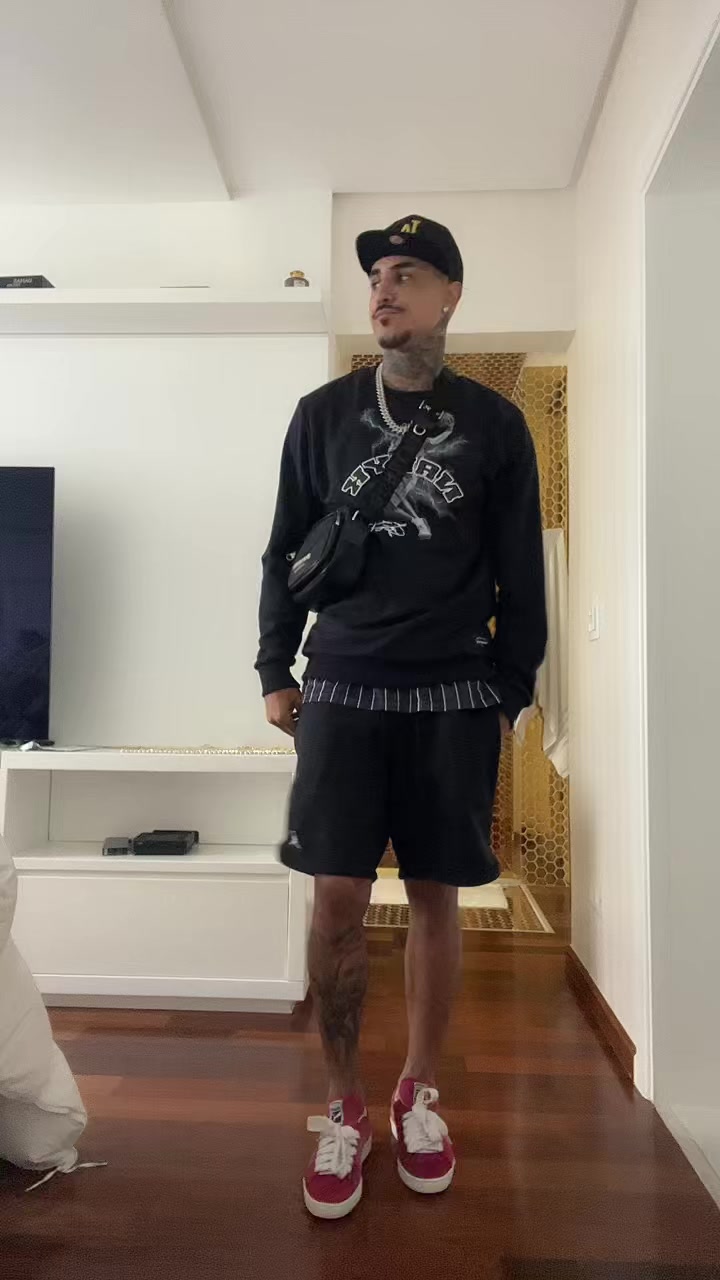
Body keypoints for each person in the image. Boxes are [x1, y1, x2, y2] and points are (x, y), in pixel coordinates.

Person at [256, 216, 546, 1219]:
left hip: (454, 691)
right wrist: (273, 663)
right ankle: (343, 1104)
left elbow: (522, 571)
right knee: (335, 896)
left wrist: (510, 690)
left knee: (434, 896)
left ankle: (418, 1091)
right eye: (377, 274)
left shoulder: (497, 424)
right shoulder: (323, 415)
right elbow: (283, 550)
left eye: (408, 273)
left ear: (450, 294)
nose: (383, 290)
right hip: (339, 682)